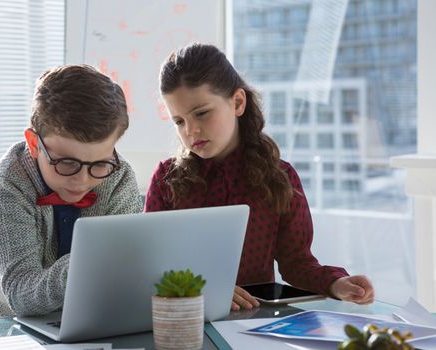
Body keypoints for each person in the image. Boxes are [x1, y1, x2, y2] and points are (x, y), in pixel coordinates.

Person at [144, 43, 375, 311]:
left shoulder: (280, 177)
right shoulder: (166, 180)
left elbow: (297, 264)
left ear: (238, 102)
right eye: (179, 121)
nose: (191, 130)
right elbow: (153, 268)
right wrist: (205, 290)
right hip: (187, 321)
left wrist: (337, 283)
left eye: (202, 113)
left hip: (255, 325)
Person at [0, 64, 143, 321]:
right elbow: (21, 294)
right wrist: (91, 262)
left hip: (69, 312)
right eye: (66, 163)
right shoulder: (6, 185)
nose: (82, 180)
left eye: (99, 163)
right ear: (34, 144)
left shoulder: (119, 177)